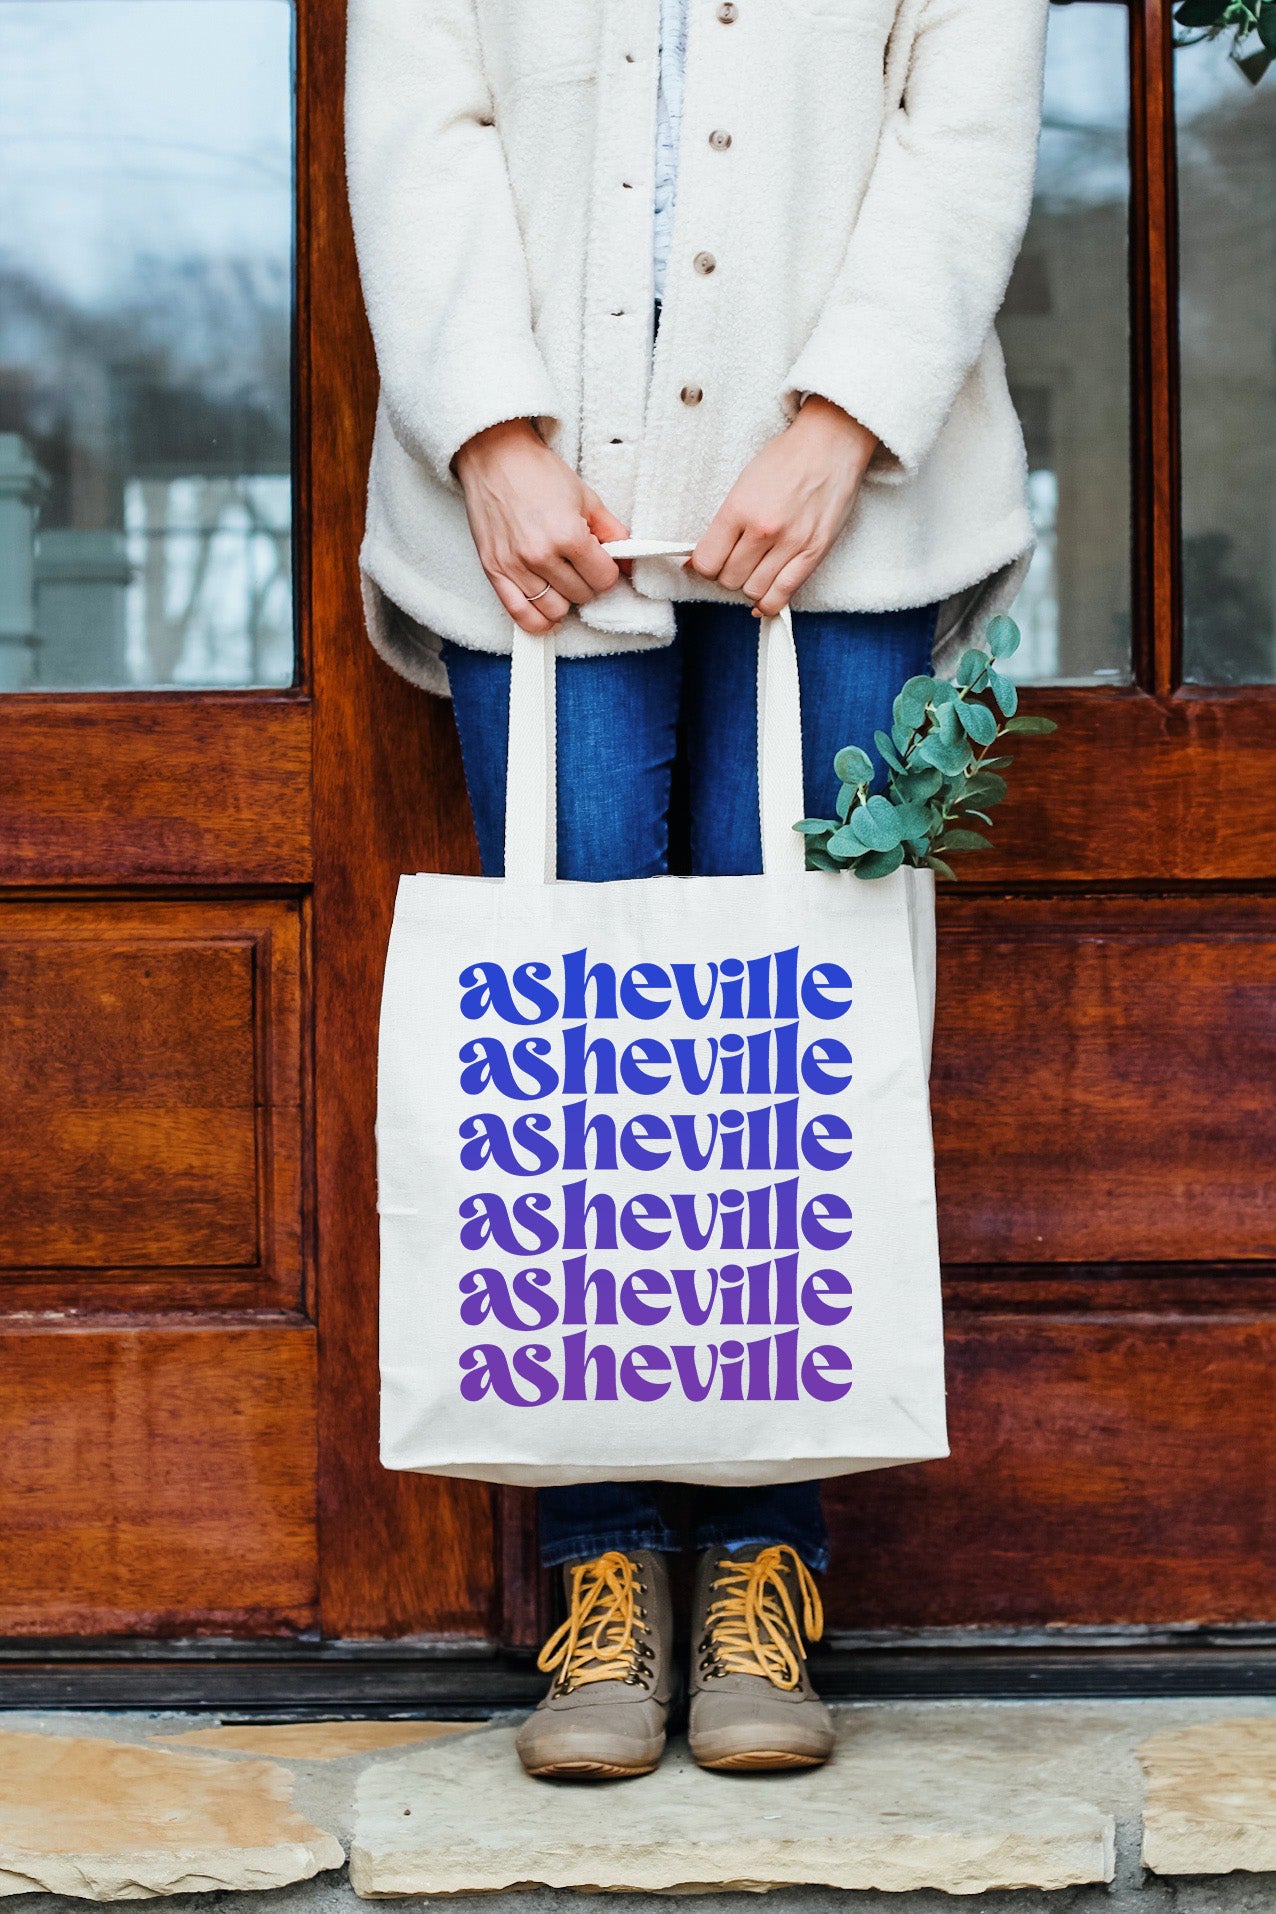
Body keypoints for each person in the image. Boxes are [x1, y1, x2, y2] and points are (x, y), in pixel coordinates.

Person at [346, 0, 1048, 1780]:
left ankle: (765, 1569)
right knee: (580, 1057)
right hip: (536, 514)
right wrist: (488, 437)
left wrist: (840, 424)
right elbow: (426, 122)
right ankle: (600, 1573)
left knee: (791, 1038)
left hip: (856, 508)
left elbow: (959, 126)